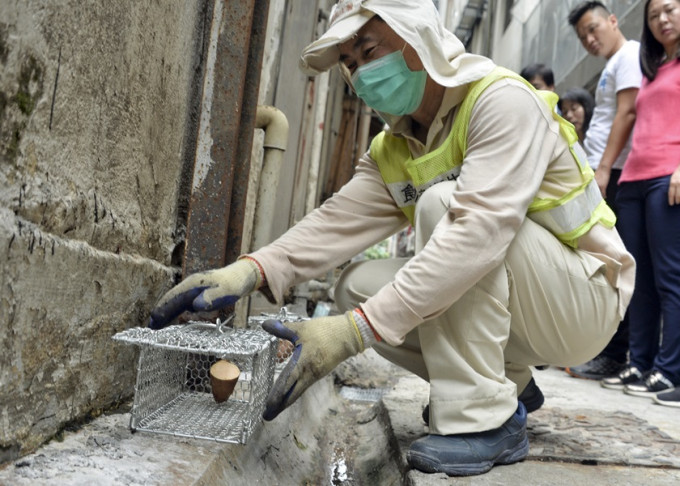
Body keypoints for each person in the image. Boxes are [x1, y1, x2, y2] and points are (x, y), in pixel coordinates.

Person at [149, 0, 634, 477]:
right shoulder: (395, 148)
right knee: (357, 286)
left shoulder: (500, 100)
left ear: (417, 37)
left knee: (441, 208)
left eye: (370, 50)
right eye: (350, 64)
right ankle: (506, 381)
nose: (361, 74)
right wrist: (250, 270)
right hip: (530, 301)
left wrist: (351, 333)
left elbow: (477, 234)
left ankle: (487, 419)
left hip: (583, 301)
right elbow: (334, 223)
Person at [601, 0, 680, 407]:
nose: (662, 20)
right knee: (641, 281)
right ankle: (643, 362)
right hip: (634, 178)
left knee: (671, 278)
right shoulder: (652, 69)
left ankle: (672, 371)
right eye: (654, 16)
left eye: (670, 9)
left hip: (669, 178)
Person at [564, 1, 642, 381]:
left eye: (594, 29)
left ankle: (616, 356)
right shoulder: (612, 64)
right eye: (582, 37)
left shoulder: (630, 55)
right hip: (602, 175)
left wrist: (604, 169)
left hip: (615, 176)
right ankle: (605, 352)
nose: (590, 39)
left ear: (613, 20)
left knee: (616, 265)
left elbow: (627, 113)